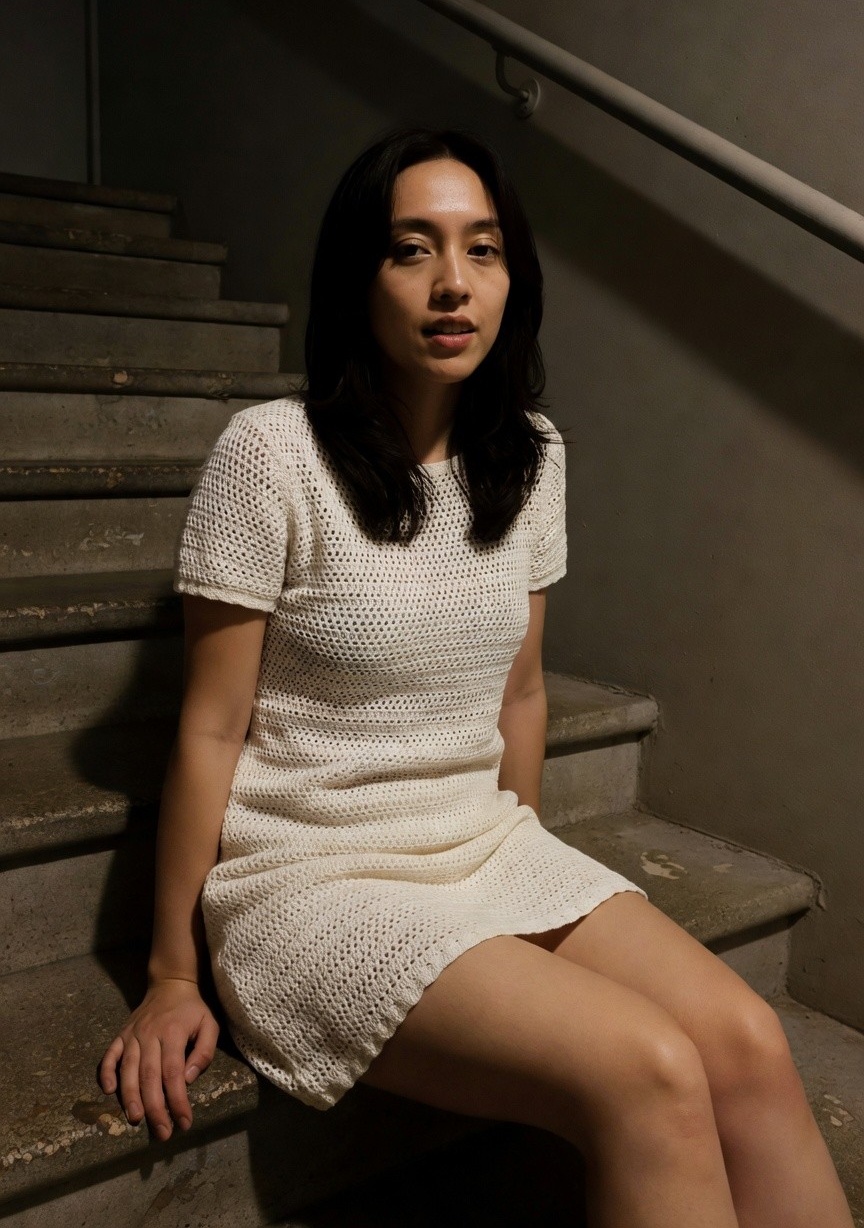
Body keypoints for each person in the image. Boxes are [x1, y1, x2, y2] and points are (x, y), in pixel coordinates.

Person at [99, 128, 853, 1226]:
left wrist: (524, 880)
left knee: (743, 1039)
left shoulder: (531, 456)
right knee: (647, 1069)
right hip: (314, 879)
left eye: (483, 249)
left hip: (482, 846)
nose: (454, 283)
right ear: (360, 277)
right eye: (412, 250)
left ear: (513, 278)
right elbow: (210, 731)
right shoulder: (272, 455)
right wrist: (173, 973)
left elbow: (522, 694)